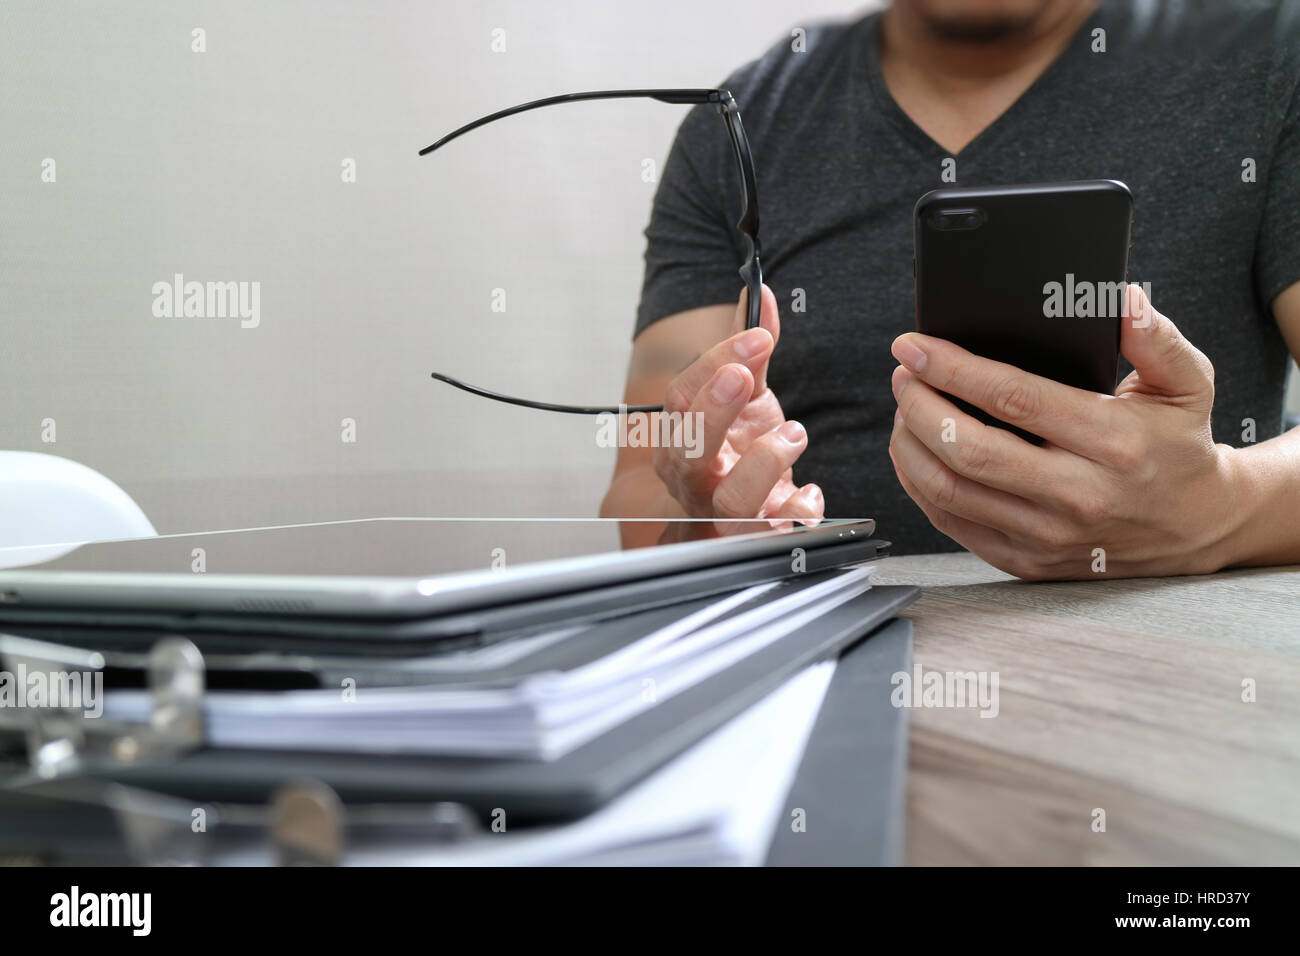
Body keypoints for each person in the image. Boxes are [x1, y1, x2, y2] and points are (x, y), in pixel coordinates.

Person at [600, 0, 1300, 579]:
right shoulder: (736, 127)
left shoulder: (1269, 57)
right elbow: (643, 498)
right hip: (826, 680)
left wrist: (1220, 508)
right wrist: (708, 526)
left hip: (1169, 682)